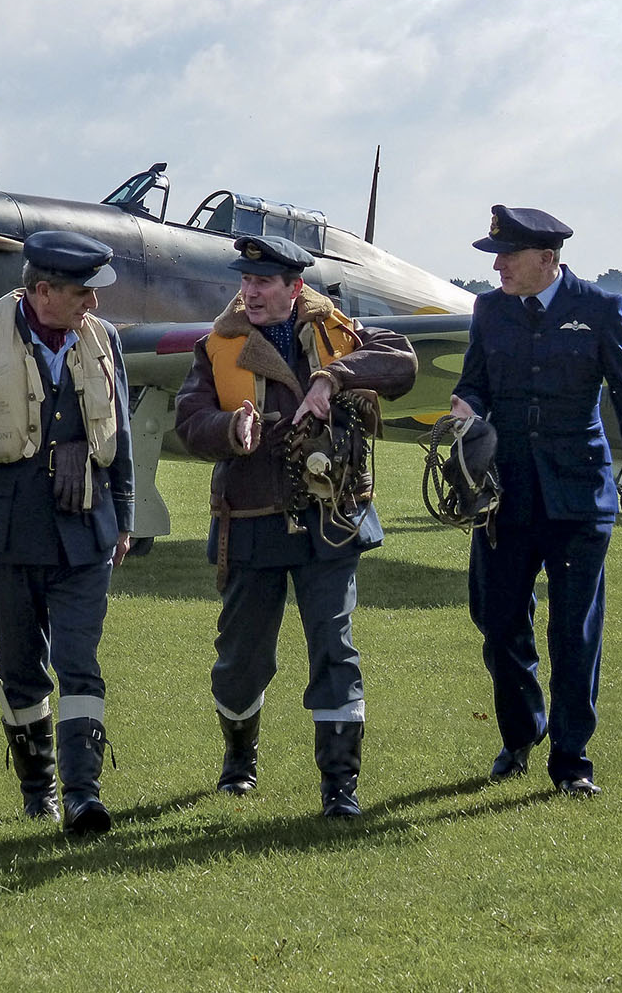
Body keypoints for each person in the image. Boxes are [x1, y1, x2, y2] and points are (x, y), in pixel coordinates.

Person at [174, 234, 417, 818]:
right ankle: (239, 762)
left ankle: (340, 787)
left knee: (335, 650)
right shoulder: (216, 346)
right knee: (241, 659)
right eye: (246, 281)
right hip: (252, 523)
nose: (250, 292)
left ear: (294, 288)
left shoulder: (337, 332)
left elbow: (402, 363)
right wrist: (231, 428)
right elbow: (189, 420)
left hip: (331, 522)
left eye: (263, 282)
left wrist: (333, 378)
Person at [449, 205, 622, 797]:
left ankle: (571, 761)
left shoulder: (598, 309)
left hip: (578, 495)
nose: (498, 267)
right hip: (504, 496)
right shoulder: (489, 310)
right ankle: (521, 733)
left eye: (509, 256)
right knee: (496, 625)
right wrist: (465, 403)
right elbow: (474, 379)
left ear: (548, 259)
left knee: (573, 633)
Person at [0, 230, 133, 834]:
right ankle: (36, 787)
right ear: (43, 292)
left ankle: (82, 794)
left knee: (77, 660)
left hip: (86, 526)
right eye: (80, 293)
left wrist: (124, 512)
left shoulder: (106, 342)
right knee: (19, 668)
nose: (92, 304)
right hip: (9, 530)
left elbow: (117, 431)